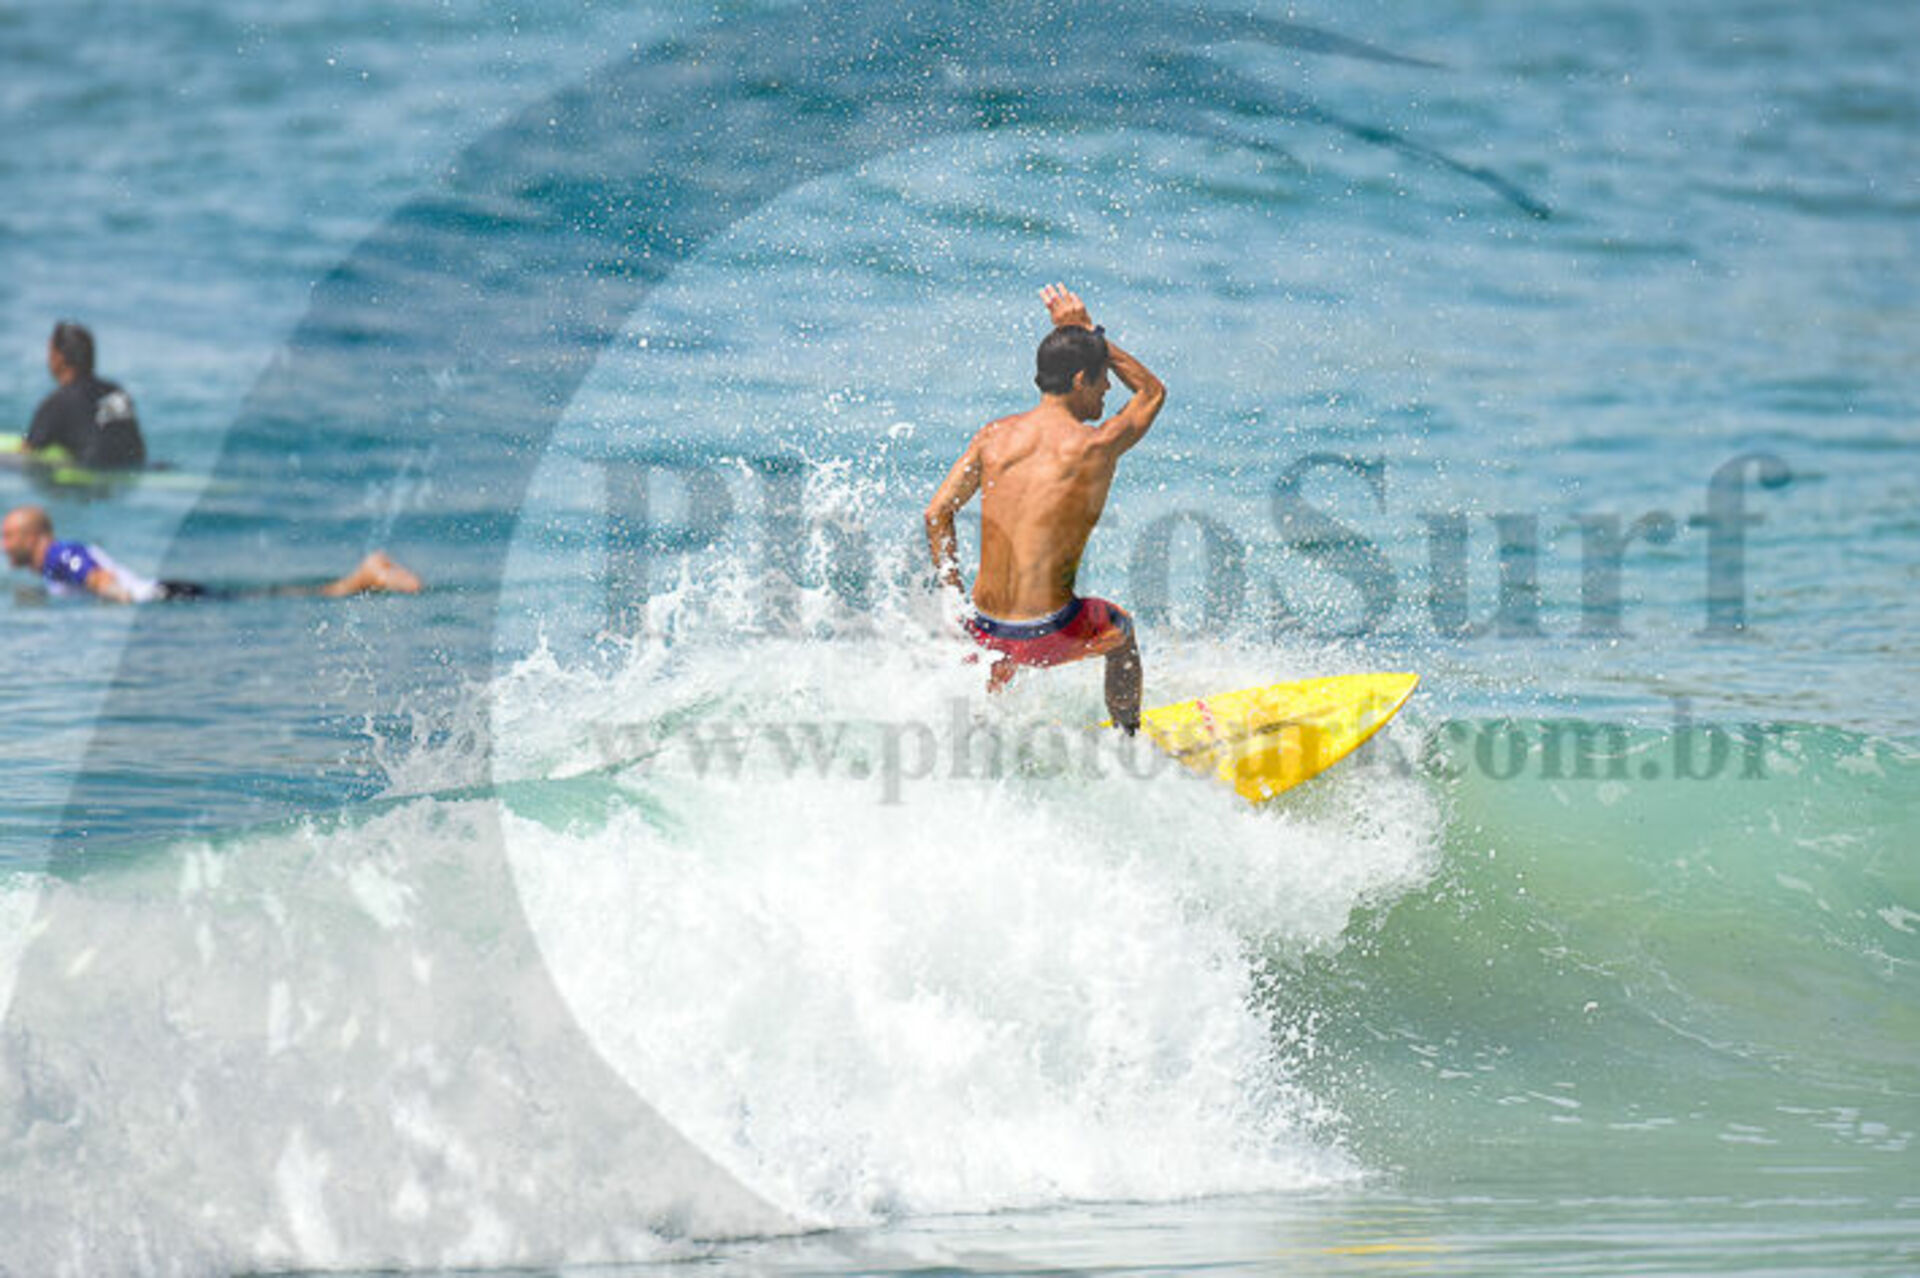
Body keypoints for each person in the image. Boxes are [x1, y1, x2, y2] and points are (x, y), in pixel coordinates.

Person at [924, 283, 1166, 732]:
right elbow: (1151, 393)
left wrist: (953, 603)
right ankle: (1129, 740)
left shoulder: (992, 437)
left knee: (998, 659)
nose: (1108, 387)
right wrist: (1090, 332)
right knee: (1121, 631)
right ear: (1080, 380)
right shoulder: (1095, 446)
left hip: (982, 627)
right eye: (1101, 378)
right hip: (1047, 632)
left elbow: (936, 514)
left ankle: (983, 730)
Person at [3, 505, 422, 602]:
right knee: (266, 596)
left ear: (34, 537)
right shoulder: (54, 565)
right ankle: (362, 577)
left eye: (8, 535)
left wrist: (113, 603)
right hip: (166, 594)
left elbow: (104, 582)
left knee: (273, 598)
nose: (3, 544)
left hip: (164, 598)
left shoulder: (60, 555)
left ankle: (364, 577)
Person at [23, 321, 147, 469]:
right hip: (138, 469)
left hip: (92, 476)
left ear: (59, 357)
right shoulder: (117, 393)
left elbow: (28, 453)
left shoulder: (57, 403)